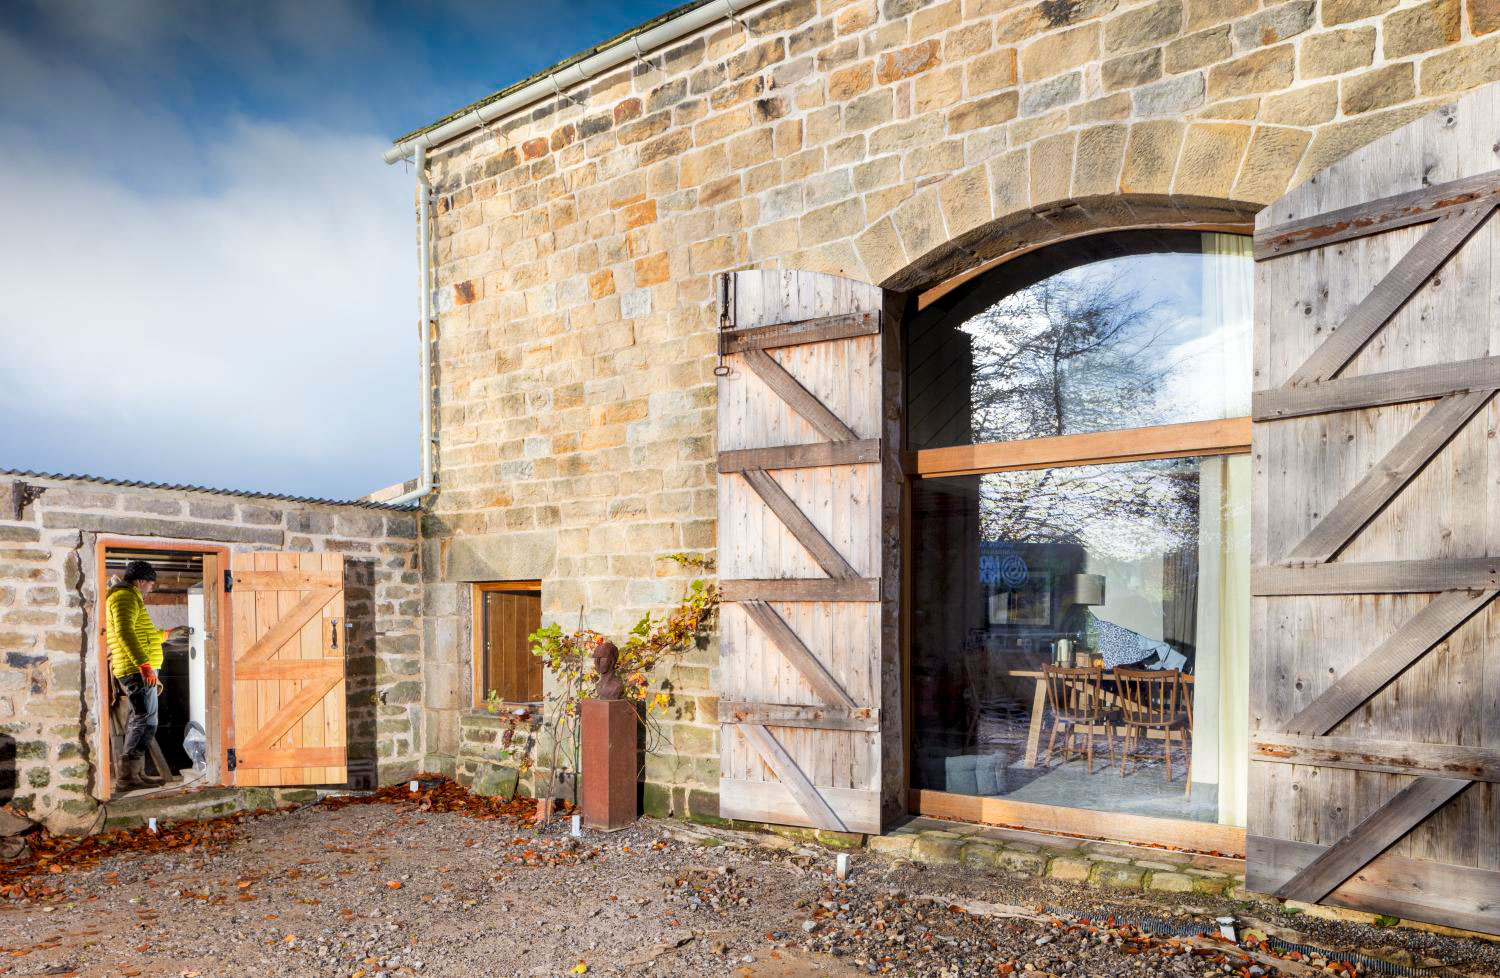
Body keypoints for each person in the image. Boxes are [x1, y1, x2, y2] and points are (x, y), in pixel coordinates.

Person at [106, 560, 185, 791]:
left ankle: (136, 773)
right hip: (136, 670)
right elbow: (124, 632)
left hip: (138, 669)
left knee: (140, 720)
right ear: (141, 581)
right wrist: (145, 667)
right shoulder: (125, 597)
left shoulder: (130, 598)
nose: (151, 588)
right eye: (151, 584)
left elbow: (143, 634)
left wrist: (168, 634)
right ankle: (127, 777)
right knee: (146, 721)